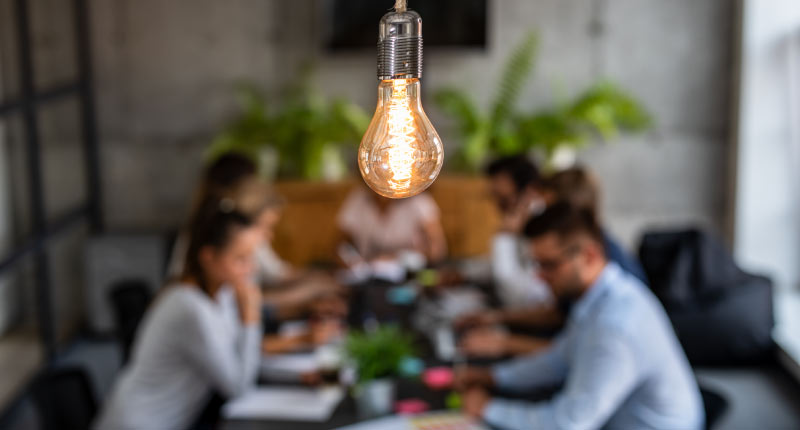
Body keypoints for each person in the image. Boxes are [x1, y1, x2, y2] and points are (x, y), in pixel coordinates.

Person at [455, 202, 704, 430]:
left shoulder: (616, 326)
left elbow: (567, 424)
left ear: (589, 256)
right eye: (537, 264)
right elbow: (559, 359)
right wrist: (493, 377)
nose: (538, 277)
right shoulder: (602, 296)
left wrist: (487, 408)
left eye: (549, 264)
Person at [95, 197, 264, 430]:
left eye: (251, 257)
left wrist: (297, 341)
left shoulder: (219, 293)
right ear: (208, 257)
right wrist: (251, 318)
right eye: (240, 259)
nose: (251, 268)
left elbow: (233, 350)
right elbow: (238, 387)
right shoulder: (189, 307)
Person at [337, 186, 447, 265]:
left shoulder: (418, 200)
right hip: (367, 278)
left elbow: (437, 248)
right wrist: (350, 262)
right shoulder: (358, 199)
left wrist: (404, 258)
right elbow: (338, 245)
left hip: (409, 276)